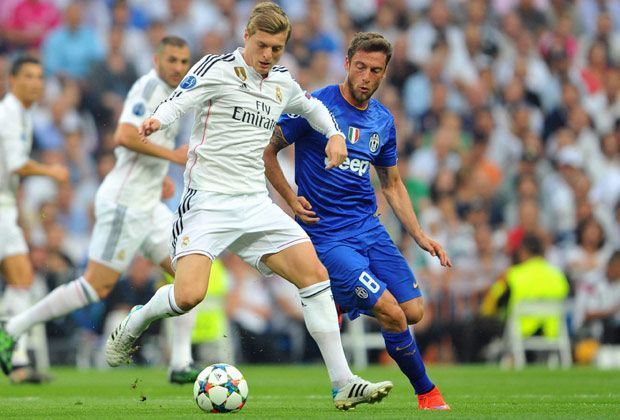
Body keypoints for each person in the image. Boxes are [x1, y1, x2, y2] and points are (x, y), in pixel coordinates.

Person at [104, 2, 392, 411]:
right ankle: (135, 321)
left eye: (276, 48)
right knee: (188, 296)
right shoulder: (216, 68)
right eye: (262, 45)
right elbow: (180, 100)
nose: (267, 55)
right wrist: (157, 120)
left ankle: (342, 382)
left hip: (255, 203)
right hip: (207, 202)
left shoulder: (281, 81)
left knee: (314, 276)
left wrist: (333, 135)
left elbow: (312, 108)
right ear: (246, 37)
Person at [263, 32, 452, 410]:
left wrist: (418, 234)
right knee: (393, 314)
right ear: (347, 64)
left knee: (414, 311)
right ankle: (428, 393)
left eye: (375, 71)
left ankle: (337, 297)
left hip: (369, 228)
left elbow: (392, 183)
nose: (366, 76)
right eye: (361, 67)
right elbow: (268, 150)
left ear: (384, 75)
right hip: (328, 237)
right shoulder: (316, 105)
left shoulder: (383, 120)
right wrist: (289, 198)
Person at [0, 37, 199, 384]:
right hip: (124, 202)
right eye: (172, 60)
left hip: (147, 200)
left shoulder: (173, 93)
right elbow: (123, 136)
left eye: (184, 61)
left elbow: (141, 144)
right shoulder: (149, 88)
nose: (178, 67)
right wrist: (171, 159)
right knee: (95, 287)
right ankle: (14, 328)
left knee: (190, 273)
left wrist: (158, 177)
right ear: (156, 59)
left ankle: (181, 363)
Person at [0, 56, 69, 384]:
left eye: (40, 77)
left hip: (6, 208)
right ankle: (12, 351)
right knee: (21, 280)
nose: (35, 83)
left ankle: (16, 361)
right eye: (28, 76)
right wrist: (49, 170)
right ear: (12, 80)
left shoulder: (24, 116)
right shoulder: (10, 113)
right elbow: (16, 165)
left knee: (21, 279)